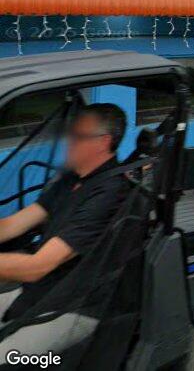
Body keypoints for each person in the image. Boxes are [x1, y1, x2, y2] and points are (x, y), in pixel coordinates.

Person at [0, 103, 128, 322]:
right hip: (37, 293)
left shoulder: (109, 193)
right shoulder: (73, 178)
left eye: (77, 136)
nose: (68, 143)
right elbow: (14, 224)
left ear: (103, 142)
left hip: (69, 309)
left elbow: (37, 266)